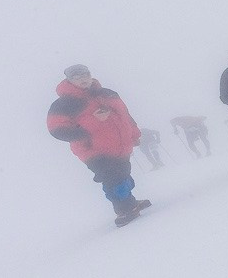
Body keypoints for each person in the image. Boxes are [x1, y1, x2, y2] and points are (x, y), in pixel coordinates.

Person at [47, 64, 151, 226]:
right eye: (77, 77)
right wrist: (93, 122)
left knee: (124, 176)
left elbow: (125, 115)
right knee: (113, 179)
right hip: (94, 151)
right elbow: (58, 131)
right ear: (69, 80)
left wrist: (134, 134)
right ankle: (123, 211)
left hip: (120, 146)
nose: (83, 79)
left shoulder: (107, 94)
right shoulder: (64, 104)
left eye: (85, 75)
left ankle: (130, 202)